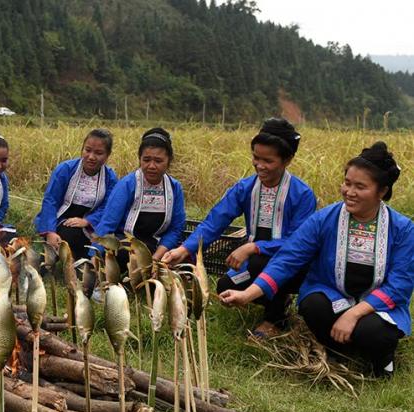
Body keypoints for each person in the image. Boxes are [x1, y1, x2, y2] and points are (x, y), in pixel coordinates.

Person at [220, 142, 412, 377]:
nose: (349, 192)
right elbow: (288, 258)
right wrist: (246, 294)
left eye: (360, 187)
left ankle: (381, 358)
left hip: (375, 305)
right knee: (314, 306)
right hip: (336, 295)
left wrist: (353, 314)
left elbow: (400, 284)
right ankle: (338, 347)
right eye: (347, 183)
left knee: (374, 332)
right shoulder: (325, 219)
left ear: (381, 191)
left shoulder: (403, 229)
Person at [163, 118, 316, 337]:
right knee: (225, 285)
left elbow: (297, 244)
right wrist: (184, 250)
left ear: (287, 160)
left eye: (268, 161)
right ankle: (275, 298)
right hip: (254, 264)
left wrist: (253, 247)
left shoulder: (302, 195)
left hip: (293, 267)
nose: (259, 165)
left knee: (259, 260)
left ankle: (275, 319)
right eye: (256, 157)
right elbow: (214, 222)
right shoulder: (245, 188)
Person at [92, 127, 185, 267]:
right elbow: (108, 223)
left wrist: (156, 259)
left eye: (158, 161)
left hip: (157, 247)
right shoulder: (127, 184)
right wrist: (95, 255)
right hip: (126, 246)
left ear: (169, 161)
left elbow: (175, 229)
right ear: (139, 159)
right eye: (146, 160)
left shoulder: (174, 187)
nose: (151, 166)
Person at [34, 129, 118, 259]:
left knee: (105, 244)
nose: (91, 157)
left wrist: (87, 221)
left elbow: (108, 206)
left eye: (99, 153)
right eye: (87, 150)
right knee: (69, 234)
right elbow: (51, 201)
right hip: (60, 219)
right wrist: (50, 231)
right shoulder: (65, 169)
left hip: (89, 225)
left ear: (107, 155)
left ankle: (78, 264)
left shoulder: (110, 177)